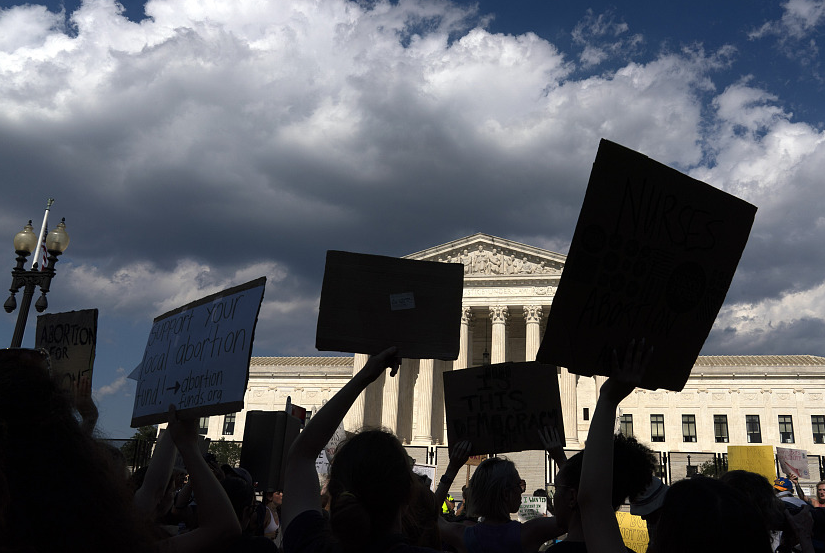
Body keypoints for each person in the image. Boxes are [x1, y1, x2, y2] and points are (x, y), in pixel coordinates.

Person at [283, 346, 443, 553]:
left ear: (336, 489)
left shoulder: (310, 545)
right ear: (408, 496)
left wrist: (365, 375)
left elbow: (300, 455)